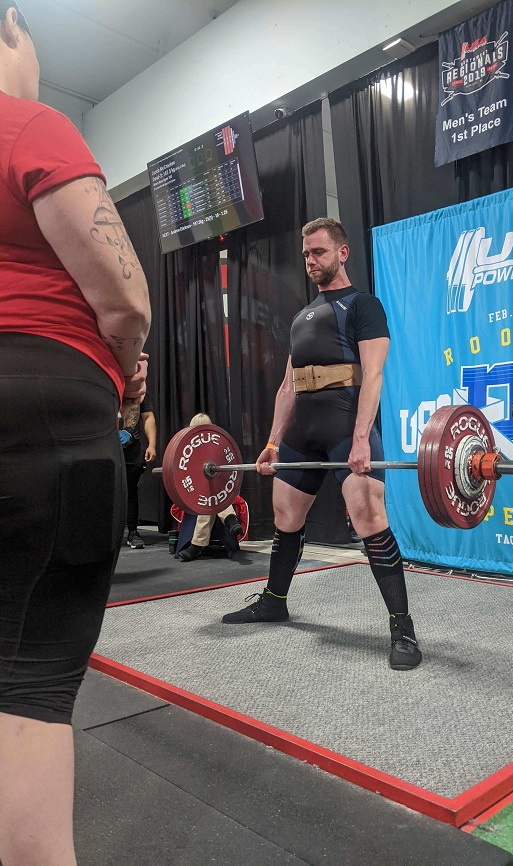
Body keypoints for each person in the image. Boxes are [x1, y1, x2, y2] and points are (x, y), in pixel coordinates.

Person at [0, 5, 151, 865]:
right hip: (46, 409)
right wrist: (128, 366)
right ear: (13, 27)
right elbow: (125, 298)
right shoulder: (32, 122)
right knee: (31, 679)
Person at [222, 217, 422, 671]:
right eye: (307, 254)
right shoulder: (300, 317)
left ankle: (402, 627)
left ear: (342, 252)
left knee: (370, 517)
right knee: (286, 517)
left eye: (320, 252)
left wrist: (360, 440)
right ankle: (274, 600)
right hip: (302, 434)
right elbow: (288, 387)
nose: (311, 261)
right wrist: (273, 443)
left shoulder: (363, 305)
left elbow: (372, 374)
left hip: (344, 426)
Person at [176, 412, 244, 561]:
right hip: (195, 494)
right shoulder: (186, 451)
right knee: (208, 499)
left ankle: (197, 546)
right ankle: (230, 519)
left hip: (220, 491)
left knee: (212, 498)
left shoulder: (218, 447)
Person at [120, 392, 157, 549]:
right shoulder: (104, 383)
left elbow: (147, 416)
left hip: (131, 449)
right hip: (105, 445)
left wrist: (152, 444)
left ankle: (133, 532)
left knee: (130, 490)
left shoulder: (137, 390)